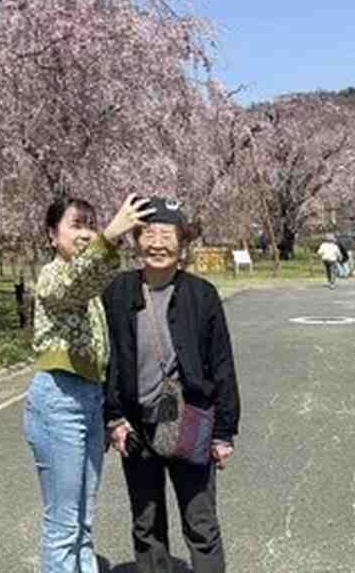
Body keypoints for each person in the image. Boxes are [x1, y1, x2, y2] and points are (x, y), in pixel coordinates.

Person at [103, 198, 240, 573]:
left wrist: (224, 432)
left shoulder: (201, 294)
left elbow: (222, 365)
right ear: (135, 240)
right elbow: (108, 360)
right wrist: (113, 418)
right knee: (146, 524)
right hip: (135, 425)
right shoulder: (118, 291)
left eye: (167, 234)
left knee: (200, 522)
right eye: (148, 233)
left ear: (182, 243)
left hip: (192, 420)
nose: (157, 243)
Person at [25, 193, 152, 573]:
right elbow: (73, 282)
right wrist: (109, 236)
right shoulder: (51, 275)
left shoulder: (91, 289)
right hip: (58, 398)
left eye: (90, 225)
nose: (85, 234)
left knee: (83, 519)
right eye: (75, 225)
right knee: (63, 523)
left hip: (89, 399)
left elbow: (90, 279)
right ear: (52, 235)